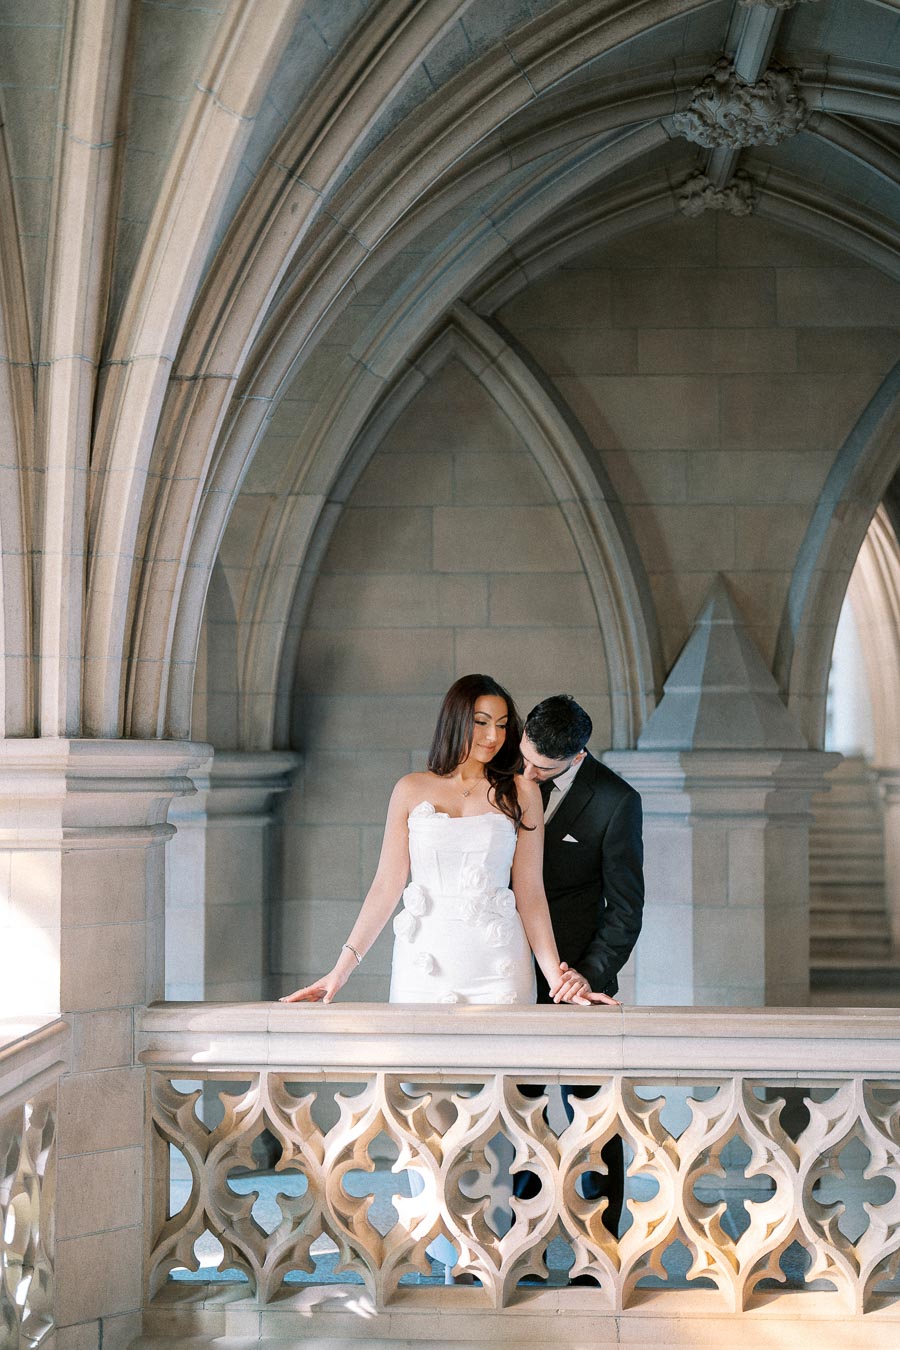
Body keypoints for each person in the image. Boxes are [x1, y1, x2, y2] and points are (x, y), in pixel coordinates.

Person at [279, 674, 619, 1008]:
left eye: (501, 725)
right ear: (455, 720)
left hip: (499, 962)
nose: (493, 736)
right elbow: (386, 885)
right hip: (424, 959)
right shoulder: (409, 789)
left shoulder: (523, 792)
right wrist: (341, 970)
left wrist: (557, 980)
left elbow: (530, 893)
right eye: (482, 722)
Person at [515, 693, 644, 1248]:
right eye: (526, 758)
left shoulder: (616, 800)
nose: (528, 772)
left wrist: (587, 976)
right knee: (518, 1113)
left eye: (541, 768)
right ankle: (521, 1233)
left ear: (577, 754)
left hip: (578, 983)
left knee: (594, 1115)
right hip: (509, 976)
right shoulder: (507, 775)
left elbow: (626, 907)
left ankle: (602, 1241)